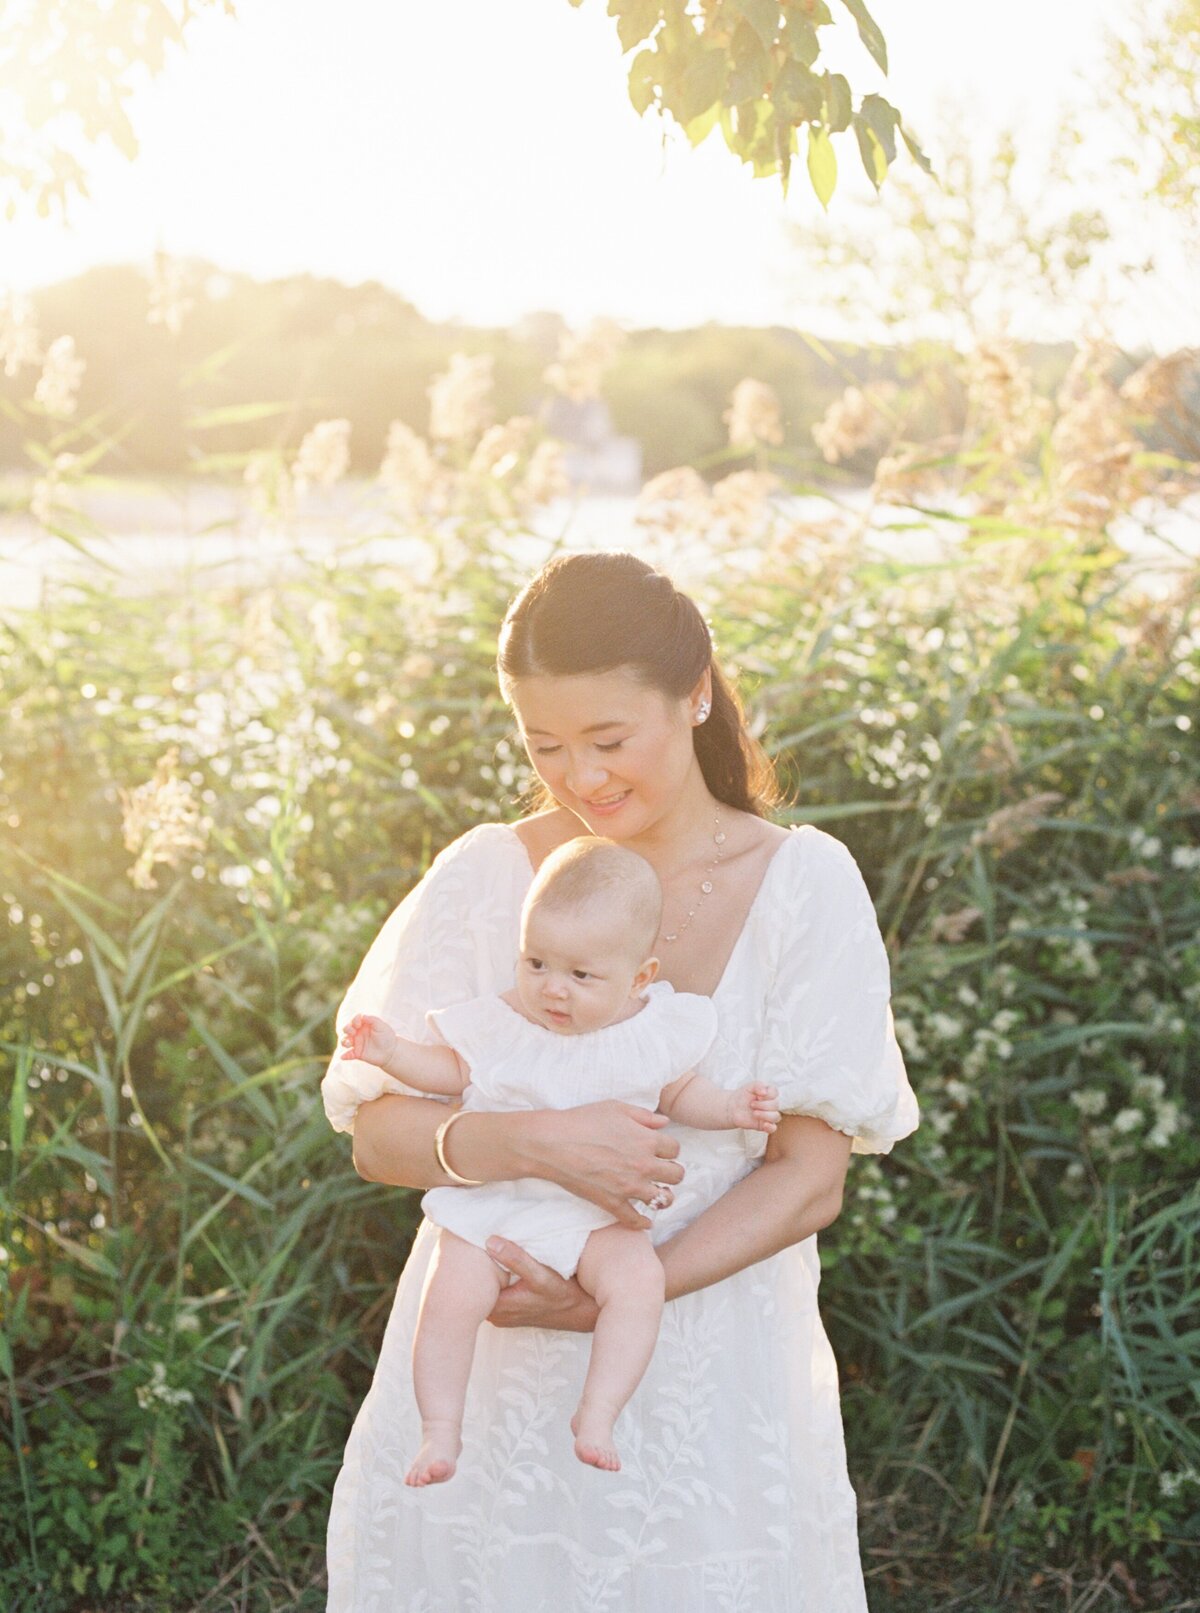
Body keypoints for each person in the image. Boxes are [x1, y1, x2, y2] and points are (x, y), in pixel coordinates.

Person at [321, 550, 919, 1613]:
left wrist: (615, 1293)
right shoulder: (491, 874)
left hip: (713, 1370)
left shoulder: (805, 885)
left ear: (696, 695)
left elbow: (809, 1178)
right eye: (543, 745)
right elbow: (378, 1133)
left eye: (608, 739)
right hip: (492, 1373)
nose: (581, 778)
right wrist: (529, 1144)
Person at [328, 836, 781, 1483]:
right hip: (497, 1204)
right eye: (536, 962)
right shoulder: (502, 1024)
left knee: (639, 1282)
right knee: (449, 1295)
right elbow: (450, 1070)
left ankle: (598, 1412)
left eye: (580, 975)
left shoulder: (652, 1030)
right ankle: (440, 1430)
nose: (552, 989)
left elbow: (681, 1092)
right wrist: (392, 1051)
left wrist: (733, 1107)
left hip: (598, 1216)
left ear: (640, 976)